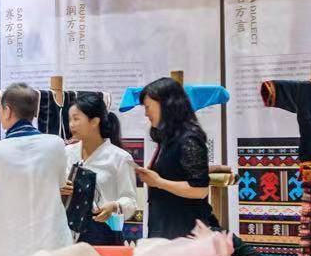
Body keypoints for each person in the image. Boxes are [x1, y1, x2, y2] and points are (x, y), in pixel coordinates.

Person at [0, 83, 72, 256]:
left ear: (7, 111)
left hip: (8, 250)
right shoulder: (56, 144)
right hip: (52, 246)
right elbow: (61, 185)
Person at [135, 77, 220, 240]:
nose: (146, 114)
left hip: (185, 229)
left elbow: (200, 190)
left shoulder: (189, 139)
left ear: (165, 104)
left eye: (148, 107)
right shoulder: (167, 138)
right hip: (166, 225)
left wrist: (158, 182)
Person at [60, 92, 136, 245]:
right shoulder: (66, 153)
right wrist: (60, 190)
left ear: (94, 121)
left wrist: (115, 206)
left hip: (104, 234)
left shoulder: (120, 158)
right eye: (69, 119)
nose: (71, 124)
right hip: (67, 233)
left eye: (76, 119)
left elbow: (131, 201)